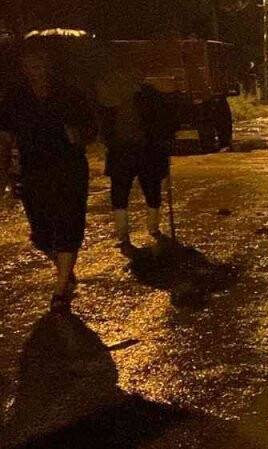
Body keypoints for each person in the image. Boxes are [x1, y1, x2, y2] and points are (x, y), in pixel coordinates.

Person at [0, 46, 96, 311]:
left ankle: (60, 289)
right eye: (31, 66)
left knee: (69, 223)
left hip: (69, 167)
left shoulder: (69, 94)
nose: (37, 71)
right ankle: (64, 267)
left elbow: (92, 126)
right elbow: (5, 136)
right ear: (24, 69)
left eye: (40, 65)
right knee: (41, 233)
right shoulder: (16, 98)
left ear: (49, 66)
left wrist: (79, 134)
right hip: (34, 170)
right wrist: (6, 170)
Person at [97, 61, 178, 251]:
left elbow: (104, 125)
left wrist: (108, 141)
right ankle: (152, 228)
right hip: (144, 150)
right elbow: (167, 121)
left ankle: (124, 234)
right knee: (149, 190)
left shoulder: (112, 96)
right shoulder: (150, 95)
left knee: (121, 193)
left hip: (124, 151)